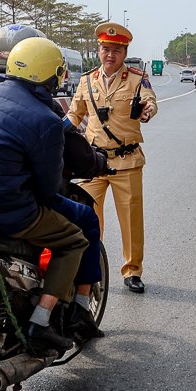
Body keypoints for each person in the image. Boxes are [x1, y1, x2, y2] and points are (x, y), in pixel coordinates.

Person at [0, 36, 104, 352]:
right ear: (50, 75)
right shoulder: (46, 119)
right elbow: (48, 189)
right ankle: (40, 322)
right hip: (7, 212)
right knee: (73, 240)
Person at [66, 22, 158, 294]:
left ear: (124, 51)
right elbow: (75, 115)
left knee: (130, 218)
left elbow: (150, 102)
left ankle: (132, 270)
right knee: (85, 216)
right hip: (92, 161)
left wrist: (147, 111)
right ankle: (90, 270)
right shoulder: (86, 81)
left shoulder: (137, 79)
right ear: (98, 50)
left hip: (126, 161)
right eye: (106, 49)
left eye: (116, 50)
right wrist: (57, 128)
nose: (110, 55)